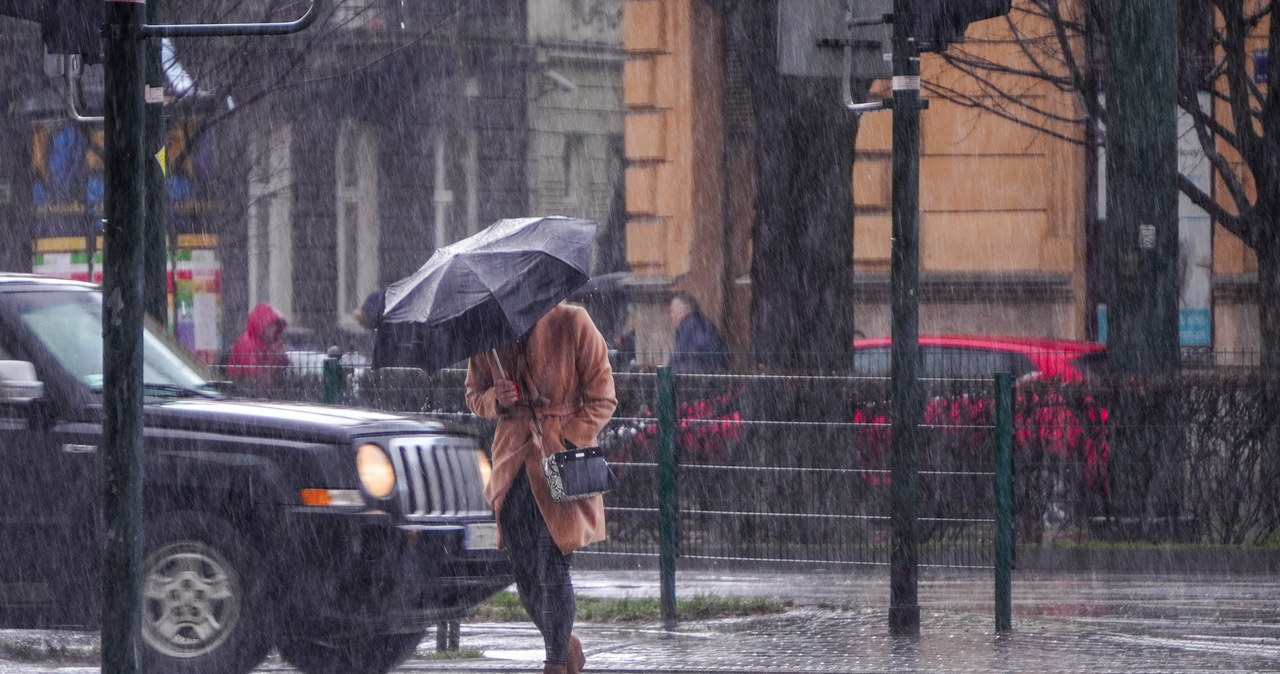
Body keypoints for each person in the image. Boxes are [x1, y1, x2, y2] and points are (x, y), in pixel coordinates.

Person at [465, 302, 617, 674]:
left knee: (552, 565)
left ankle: (553, 662)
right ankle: (564, 643)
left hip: (558, 463)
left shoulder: (573, 321)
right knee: (525, 575)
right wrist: (495, 401)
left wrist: (566, 437)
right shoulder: (488, 333)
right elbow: (473, 395)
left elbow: (603, 397)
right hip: (512, 466)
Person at [226, 303, 289, 393]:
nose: (274, 330)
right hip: (245, 391)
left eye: (275, 326)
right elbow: (256, 375)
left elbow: (276, 370)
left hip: (254, 392)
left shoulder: (268, 342)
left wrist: (281, 357)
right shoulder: (249, 343)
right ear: (262, 326)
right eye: (270, 326)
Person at [668, 291, 730, 373]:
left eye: (672, 311)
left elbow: (678, 358)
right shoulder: (700, 323)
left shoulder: (688, 327)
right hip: (713, 373)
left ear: (682, 312)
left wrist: (666, 371)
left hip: (701, 376)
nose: (670, 315)